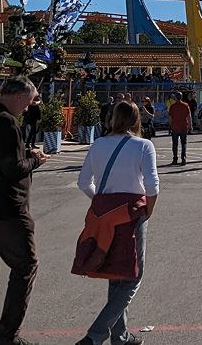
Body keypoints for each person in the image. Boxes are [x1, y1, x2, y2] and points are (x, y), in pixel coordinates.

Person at [0, 77, 50, 345]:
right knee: (26, 266)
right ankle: (8, 336)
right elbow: (12, 168)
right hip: (7, 209)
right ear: (17, 96)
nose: (29, 106)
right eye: (29, 100)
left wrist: (24, 151)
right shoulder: (6, 122)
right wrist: (35, 159)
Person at [74, 101, 158, 345]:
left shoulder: (98, 144)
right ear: (136, 120)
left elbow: (83, 182)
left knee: (115, 272)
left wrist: (101, 202)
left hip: (104, 214)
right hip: (132, 213)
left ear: (112, 119)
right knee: (133, 276)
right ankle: (95, 335)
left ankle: (119, 337)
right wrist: (147, 211)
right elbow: (152, 186)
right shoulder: (144, 145)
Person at [168, 92, 192, 166]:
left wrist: (170, 126)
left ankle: (175, 159)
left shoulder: (172, 106)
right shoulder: (185, 105)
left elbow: (170, 118)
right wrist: (190, 126)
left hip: (175, 127)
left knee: (175, 144)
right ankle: (183, 158)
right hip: (183, 126)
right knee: (183, 143)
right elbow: (189, 116)